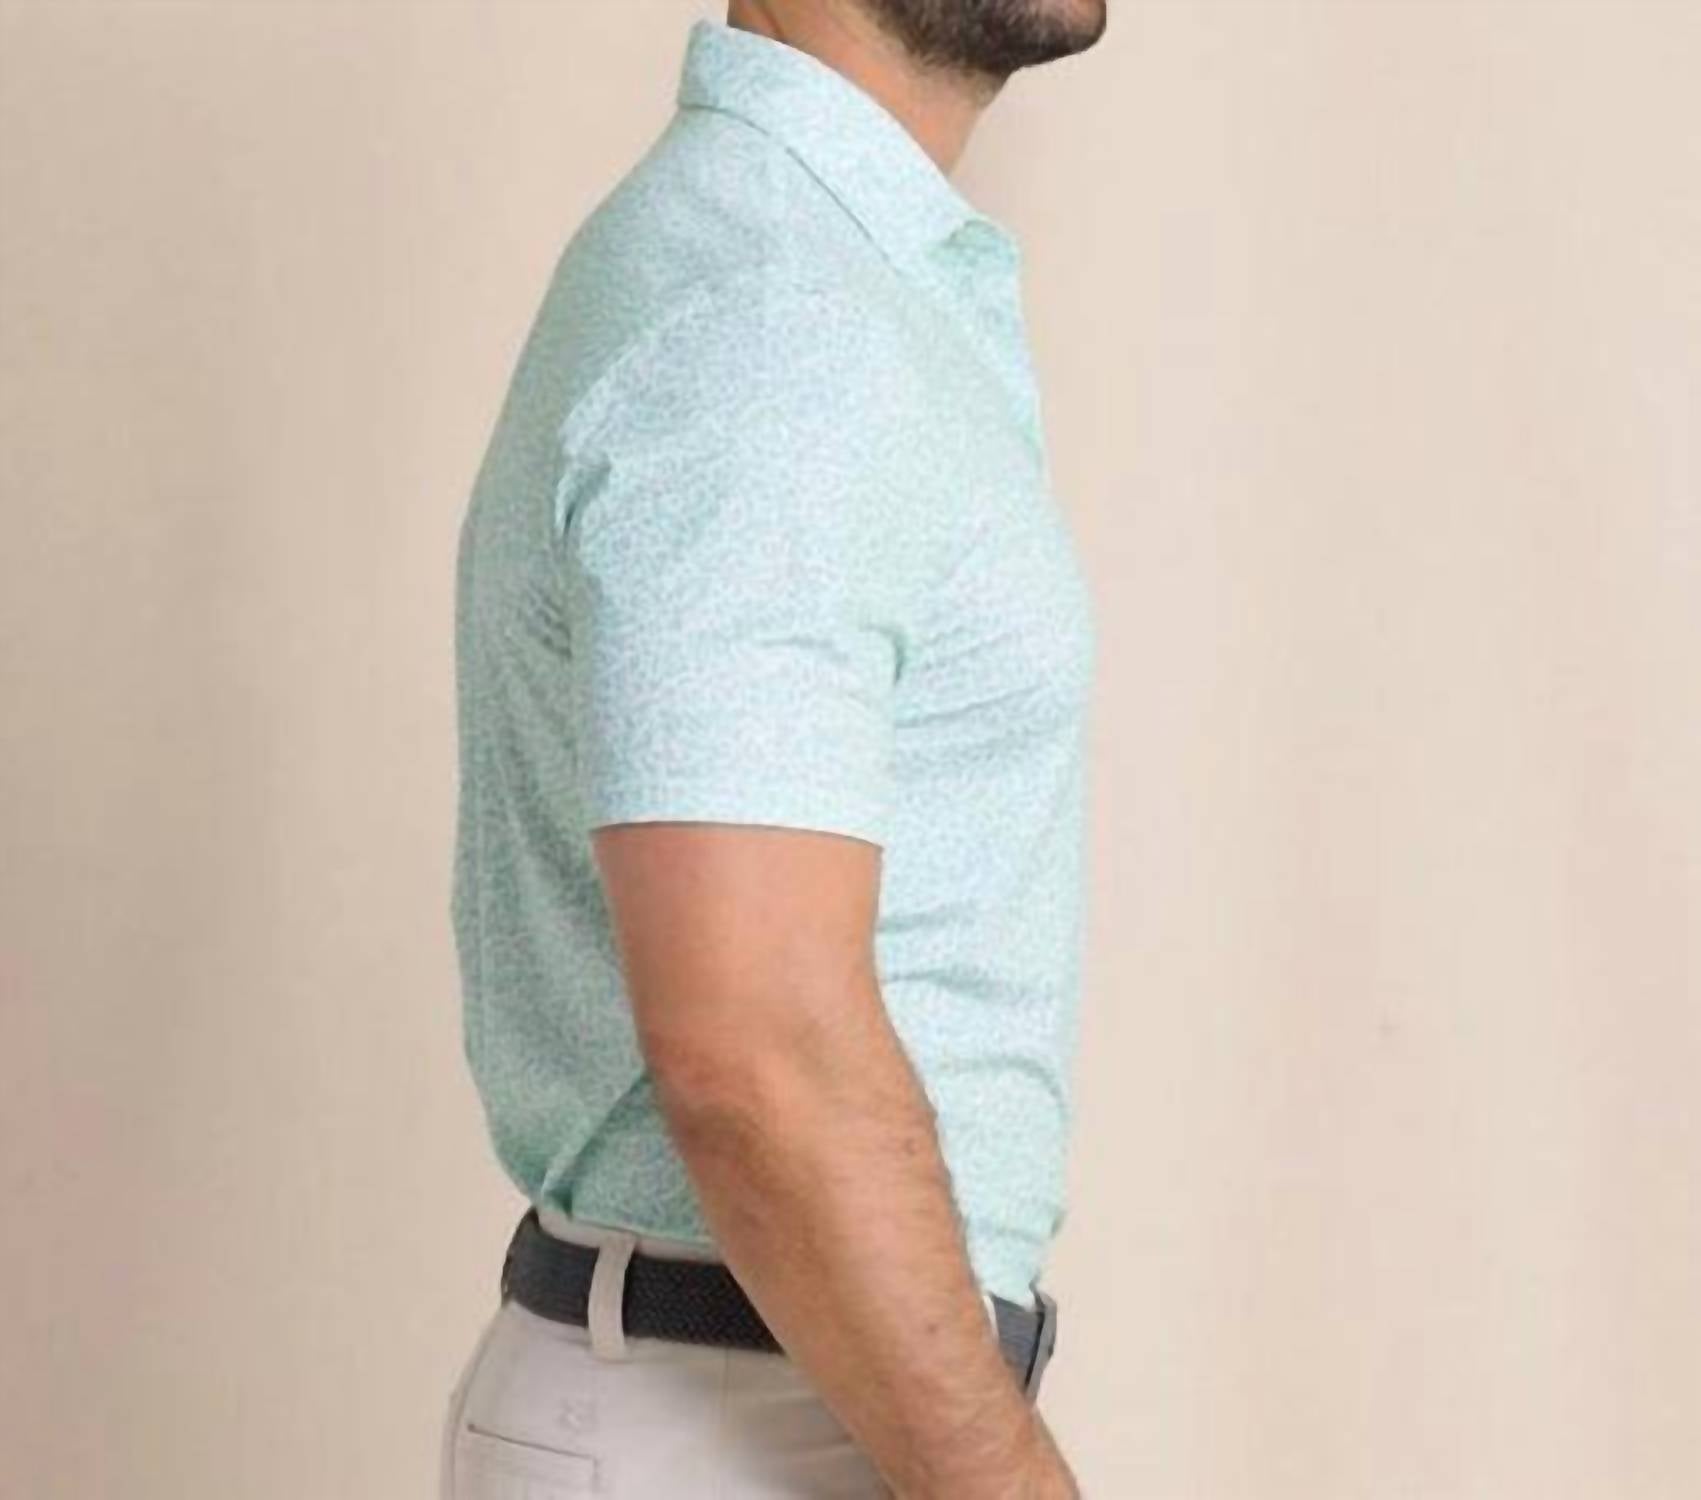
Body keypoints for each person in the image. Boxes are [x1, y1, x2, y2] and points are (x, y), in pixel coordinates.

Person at [443, 3, 1106, 1495]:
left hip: (782, 1391)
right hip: (740, 1419)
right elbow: (753, 1049)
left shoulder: (818, 269)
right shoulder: (778, 317)